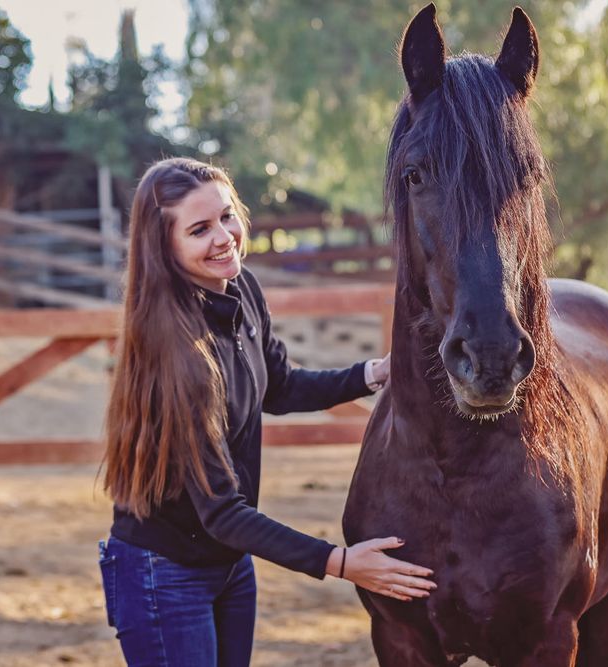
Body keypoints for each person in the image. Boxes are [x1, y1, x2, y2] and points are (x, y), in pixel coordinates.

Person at [99, 157, 435, 667]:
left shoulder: (242, 291)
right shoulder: (176, 354)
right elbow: (223, 512)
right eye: (199, 230)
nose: (224, 236)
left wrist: (376, 371)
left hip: (229, 564)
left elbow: (278, 387)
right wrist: (340, 563)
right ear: (163, 247)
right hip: (162, 574)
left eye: (226, 216)